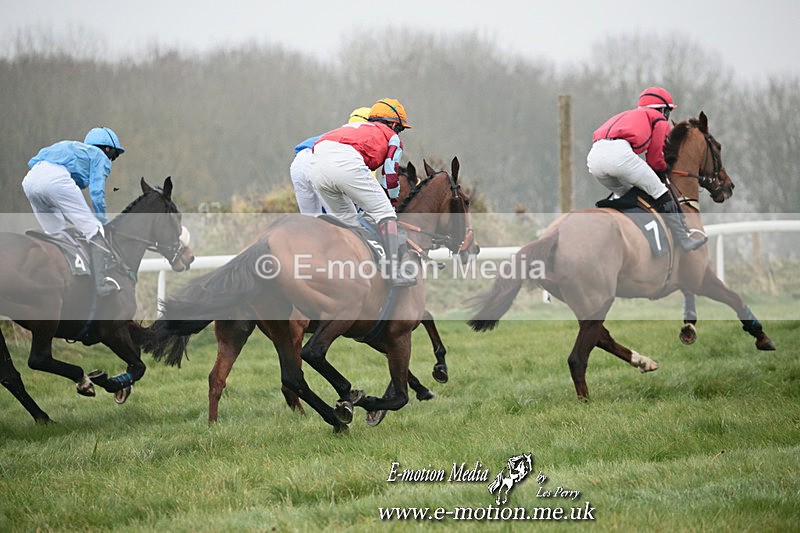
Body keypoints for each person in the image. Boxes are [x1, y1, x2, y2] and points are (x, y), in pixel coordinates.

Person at [309, 98, 416, 286]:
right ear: (392, 123)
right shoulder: (391, 137)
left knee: (349, 223)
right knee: (385, 214)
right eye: (399, 128)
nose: (398, 133)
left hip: (316, 167)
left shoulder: (352, 128)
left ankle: (344, 270)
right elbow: (390, 173)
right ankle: (393, 272)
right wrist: (391, 199)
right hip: (345, 163)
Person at [587, 87, 707, 252]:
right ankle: (683, 239)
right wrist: (664, 169)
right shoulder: (659, 119)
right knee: (659, 191)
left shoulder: (627, 115)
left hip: (594, 158)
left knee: (628, 195)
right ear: (663, 110)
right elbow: (654, 158)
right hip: (619, 155)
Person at [22, 127, 125, 296]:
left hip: (30, 180)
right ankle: (101, 284)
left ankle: (57, 276)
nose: (111, 160)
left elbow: (33, 163)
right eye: (114, 155)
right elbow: (97, 194)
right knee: (95, 229)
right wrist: (102, 221)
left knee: (57, 233)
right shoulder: (99, 156)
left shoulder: (71, 149)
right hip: (55, 179)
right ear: (107, 148)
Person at [290, 107, 371, 215]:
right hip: (318, 161)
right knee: (346, 220)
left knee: (310, 220)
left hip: (298, 163)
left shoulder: (339, 132)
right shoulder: (364, 141)